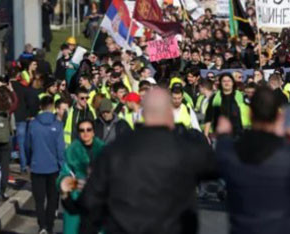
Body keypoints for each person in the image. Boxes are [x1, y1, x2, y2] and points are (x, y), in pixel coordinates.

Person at [59, 88, 218, 234]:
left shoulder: (115, 149)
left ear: (144, 113)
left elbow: (90, 200)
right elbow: (213, 167)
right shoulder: (182, 147)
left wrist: (69, 201)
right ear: (169, 114)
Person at [215, 87, 290, 234]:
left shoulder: (230, 151)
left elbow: (215, 159)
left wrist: (223, 137)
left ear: (250, 113)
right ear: (278, 117)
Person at [25, 96, 66, 234]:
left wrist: (28, 161)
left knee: (39, 199)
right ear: (53, 107)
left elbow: (27, 145)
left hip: (37, 166)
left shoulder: (33, 124)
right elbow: (60, 148)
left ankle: (42, 226)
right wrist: (62, 165)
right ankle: (50, 226)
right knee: (53, 198)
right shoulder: (58, 125)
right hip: (53, 167)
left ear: (41, 107)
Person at [58, 119, 104, 234]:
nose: (86, 133)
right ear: (78, 133)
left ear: (93, 132)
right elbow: (63, 174)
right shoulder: (71, 152)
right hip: (76, 202)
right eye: (82, 130)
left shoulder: (104, 151)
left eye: (89, 129)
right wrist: (65, 183)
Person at [204, 73, 250, 138]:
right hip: (219, 134)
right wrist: (206, 135)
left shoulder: (240, 96)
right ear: (220, 83)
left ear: (233, 83)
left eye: (229, 81)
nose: (226, 83)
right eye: (224, 81)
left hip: (238, 133)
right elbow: (208, 116)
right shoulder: (215, 97)